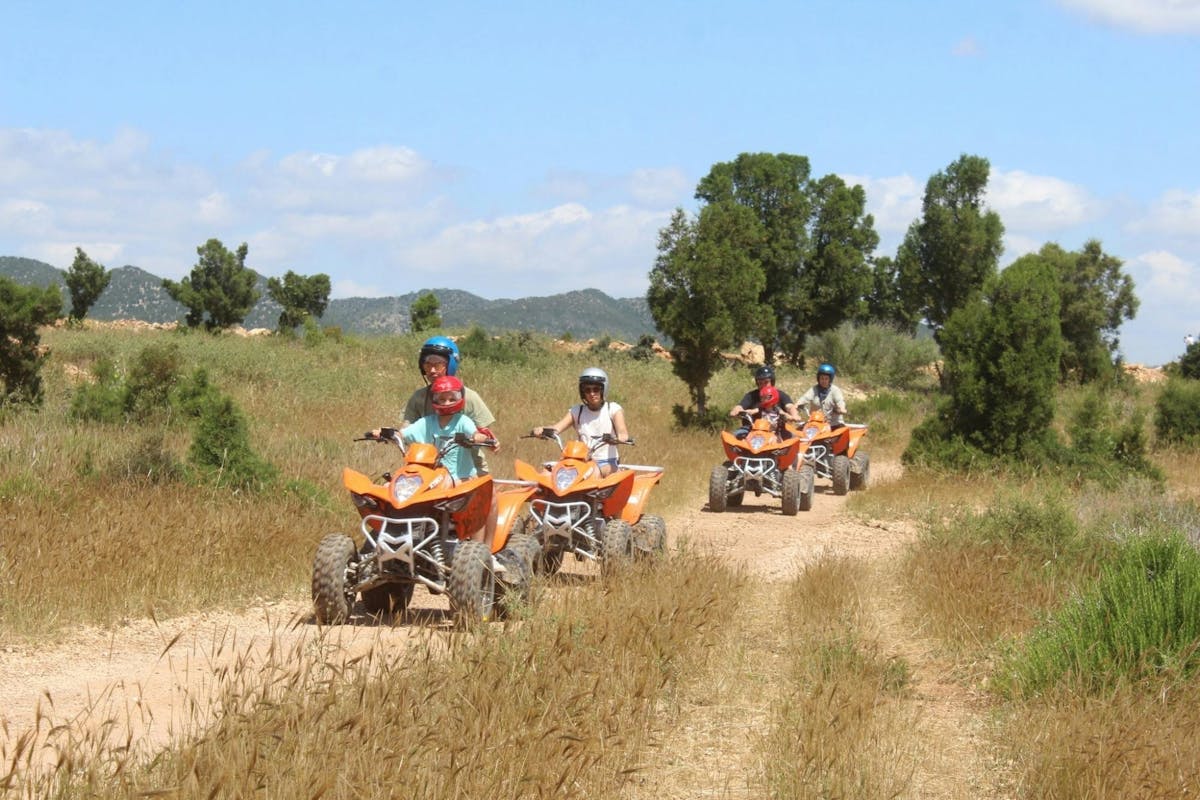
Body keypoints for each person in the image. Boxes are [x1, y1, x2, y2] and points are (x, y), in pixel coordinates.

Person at [400, 375, 499, 545]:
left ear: (461, 398)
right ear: (434, 400)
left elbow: (474, 433)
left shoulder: (463, 421)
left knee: (477, 503)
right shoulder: (426, 422)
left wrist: (478, 437)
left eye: (452, 398)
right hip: (433, 478)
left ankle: (481, 550)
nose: (447, 403)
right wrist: (388, 433)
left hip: (462, 477)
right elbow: (405, 433)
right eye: (442, 399)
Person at [402, 336, 497, 474]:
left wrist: (481, 438)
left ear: (451, 364)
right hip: (428, 467)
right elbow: (407, 428)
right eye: (427, 365)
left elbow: (485, 434)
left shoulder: (469, 397)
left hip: (468, 468)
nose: (432, 370)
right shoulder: (419, 397)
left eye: (437, 365)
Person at [530, 366, 630, 476]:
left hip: (606, 462)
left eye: (596, 389)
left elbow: (622, 431)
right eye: (587, 390)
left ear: (603, 389)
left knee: (595, 473)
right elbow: (556, 428)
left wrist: (619, 438)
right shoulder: (578, 411)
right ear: (582, 392)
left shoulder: (613, 409)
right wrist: (541, 430)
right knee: (547, 474)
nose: (592, 393)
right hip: (581, 461)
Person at [729, 365, 799, 437]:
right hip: (752, 429)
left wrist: (794, 415)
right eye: (760, 383)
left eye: (766, 382)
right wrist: (737, 411)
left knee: (794, 438)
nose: (763, 385)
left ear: (772, 382)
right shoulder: (751, 395)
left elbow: (789, 406)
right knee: (735, 436)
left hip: (776, 429)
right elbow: (741, 407)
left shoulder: (780, 395)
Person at [797, 362, 848, 428]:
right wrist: (797, 405)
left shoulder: (835, 390)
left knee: (841, 432)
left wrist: (841, 409)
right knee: (799, 431)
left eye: (826, 378)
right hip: (816, 423)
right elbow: (804, 398)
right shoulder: (813, 389)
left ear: (830, 379)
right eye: (822, 378)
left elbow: (840, 401)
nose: (824, 381)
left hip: (834, 423)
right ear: (818, 378)